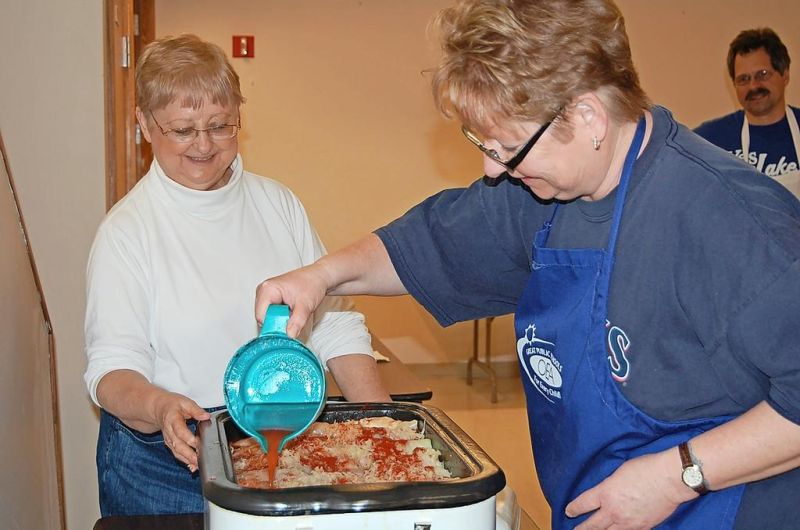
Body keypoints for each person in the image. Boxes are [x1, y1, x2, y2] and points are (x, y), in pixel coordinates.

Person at [254, 1, 800, 529]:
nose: (491, 170)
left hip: (721, 506)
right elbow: (419, 246)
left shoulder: (732, 219)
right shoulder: (535, 195)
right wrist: (319, 276)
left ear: (587, 116)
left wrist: (678, 476)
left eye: (506, 146)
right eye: (481, 142)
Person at [83, 34, 390, 516]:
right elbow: (110, 371)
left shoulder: (278, 204)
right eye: (183, 130)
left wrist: (380, 425)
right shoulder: (127, 232)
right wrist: (161, 405)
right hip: (165, 464)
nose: (203, 145)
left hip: (284, 443)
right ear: (144, 124)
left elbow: (333, 323)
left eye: (220, 125)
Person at [695, 28, 799, 188]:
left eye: (762, 74)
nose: (753, 86)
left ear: (785, 74)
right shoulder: (709, 140)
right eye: (743, 79)